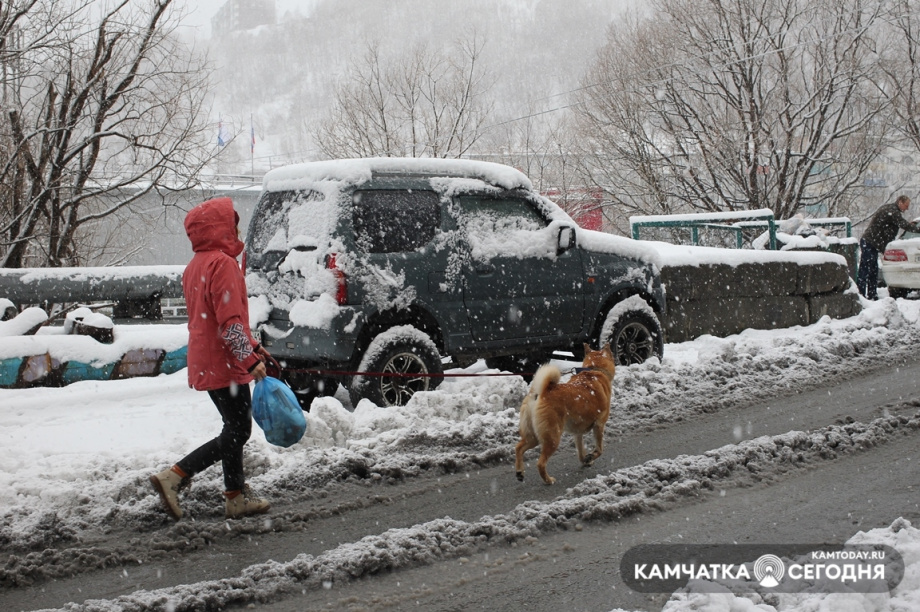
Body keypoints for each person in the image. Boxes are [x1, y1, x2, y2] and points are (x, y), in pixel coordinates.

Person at [150, 197, 273, 520]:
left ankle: (235, 496)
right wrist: (249, 360)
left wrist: (253, 348)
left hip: (207, 357)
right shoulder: (223, 264)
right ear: (221, 228)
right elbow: (229, 322)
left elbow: (216, 318)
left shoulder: (196, 265)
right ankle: (176, 475)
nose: (237, 228)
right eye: (232, 223)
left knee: (233, 426)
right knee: (238, 431)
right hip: (225, 362)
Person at [857, 195, 920, 300]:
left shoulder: (891, 210)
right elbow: (903, 224)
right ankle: (861, 295)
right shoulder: (892, 211)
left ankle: (871, 294)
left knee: (873, 269)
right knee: (866, 269)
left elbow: (900, 223)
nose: (907, 208)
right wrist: (917, 229)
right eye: (906, 205)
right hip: (870, 242)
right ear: (900, 202)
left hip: (872, 242)